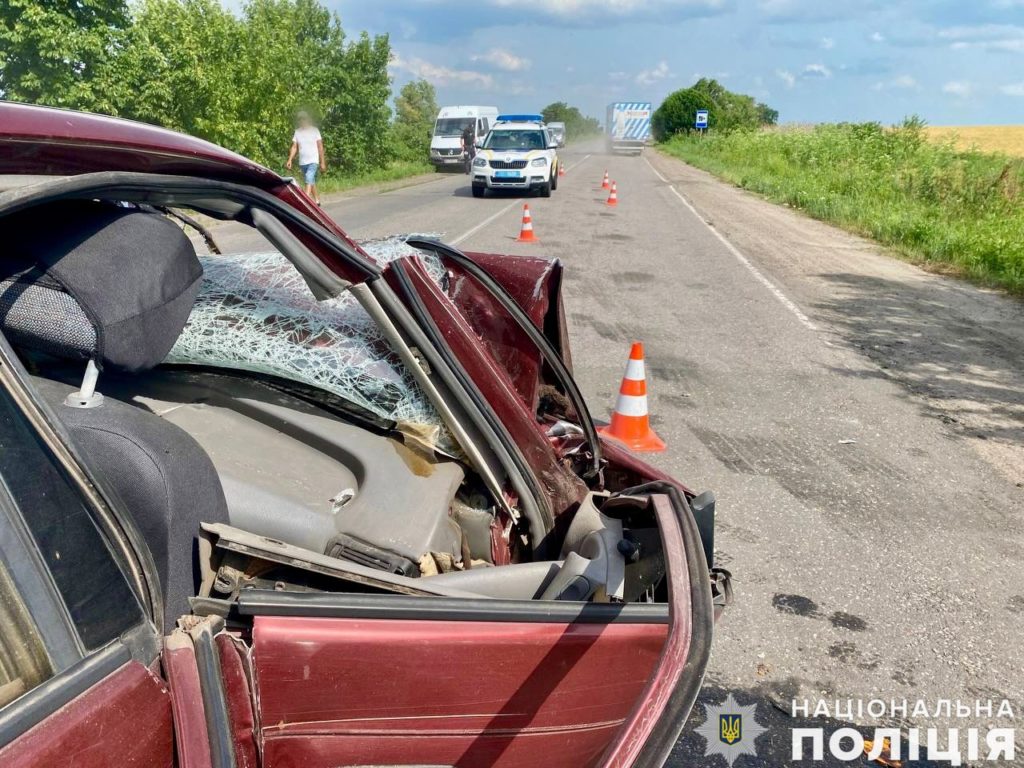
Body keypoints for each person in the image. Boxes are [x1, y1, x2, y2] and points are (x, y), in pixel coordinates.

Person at [286, 111, 326, 204]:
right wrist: (290, 159)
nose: (301, 120)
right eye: (300, 119)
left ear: (307, 119)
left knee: (309, 177)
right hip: (303, 162)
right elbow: (294, 147)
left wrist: (322, 162)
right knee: (310, 180)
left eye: (303, 118)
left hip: (313, 160)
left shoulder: (315, 130)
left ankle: (305, 201)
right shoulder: (297, 132)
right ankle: (317, 200)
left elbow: (320, 147)